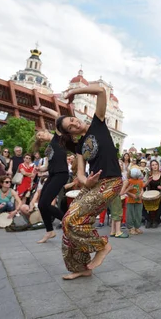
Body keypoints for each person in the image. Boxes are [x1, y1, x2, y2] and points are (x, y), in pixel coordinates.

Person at [56, 83, 123, 280]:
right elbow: (80, 174)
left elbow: (102, 91)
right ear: (71, 134)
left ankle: (102, 246)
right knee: (68, 224)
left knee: (71, 219)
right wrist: (87, 181)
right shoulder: (79, 147)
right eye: (70, 127)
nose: (74, 124)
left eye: (72, 120)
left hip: (111, 182)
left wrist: (73, 92)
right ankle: (81, 267)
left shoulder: (98, 124)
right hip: (93, 185)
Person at [32, 106, 72, 243]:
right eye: (38, 137)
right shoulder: (48, 149)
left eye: (40, 134)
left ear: (44, 131)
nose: (40, 137)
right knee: (42, 205)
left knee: (45, 203)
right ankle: (50, 231)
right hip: (52, 175)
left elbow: (57, 115)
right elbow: (47, 166)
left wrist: (42, 108)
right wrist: (40, 169)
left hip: (61, 174)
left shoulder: (58, 137)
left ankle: (68, 222)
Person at [144, 159, 161, 228]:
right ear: (151, 166)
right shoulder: (148, 174)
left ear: (158, 165)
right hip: (149, 194)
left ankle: (156, 219)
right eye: (153, 165)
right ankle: (148, 219)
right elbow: (144, 185)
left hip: (160, 193)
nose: (154, 166)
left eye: (156, 164)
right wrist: (148, 181)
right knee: (140, 201)